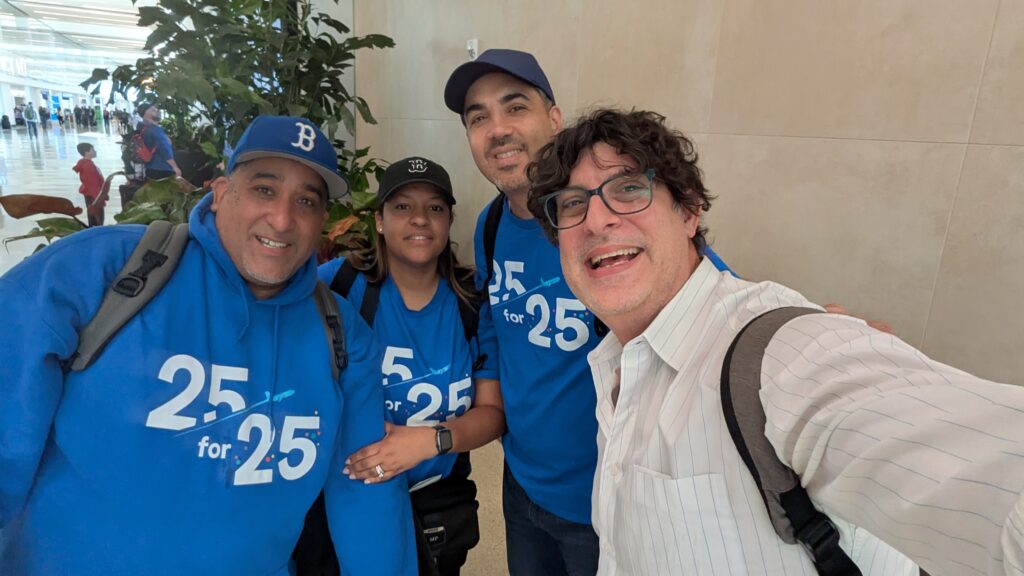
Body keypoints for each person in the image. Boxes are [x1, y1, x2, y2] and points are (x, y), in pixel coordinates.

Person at [526, 107, 1024, 575]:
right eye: (572, 204)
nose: (595, 220)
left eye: (629, 188)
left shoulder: (785, 354)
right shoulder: (618, 361)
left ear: (689, 211)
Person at [0, 115, 416, 575]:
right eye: (264, 189)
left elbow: (364, 485)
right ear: (220, 193)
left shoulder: (340, 332)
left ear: (322, 220)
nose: (282, 218)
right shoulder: (100, 270)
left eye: (306, 200)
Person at [442, 49, 733, 575]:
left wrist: (794, 330)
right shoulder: (489, 227)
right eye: (478, 118)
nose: (497, 129)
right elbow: (493, 329)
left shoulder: (605, 225)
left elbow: (715, 305)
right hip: (521, 485)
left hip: (606, 502)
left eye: (515, 107)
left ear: (554, 118)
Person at [302, 157, 504, 576]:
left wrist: (430, 441)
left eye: (434, 208)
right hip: (347, 498)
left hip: (437, 504)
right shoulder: (337, 284)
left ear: (449, 221)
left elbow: (492, 414)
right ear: (378, 220)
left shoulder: (472, 301)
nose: (419, 220)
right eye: (401, 207)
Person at [136, 103, 181, 181]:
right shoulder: (155, 130)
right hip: (162, 170)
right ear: (146, 113)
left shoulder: (142, 128)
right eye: (153, 110)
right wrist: (175, 167)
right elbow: (165, 151)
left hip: (150, 168)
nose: (157, 111)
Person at [73, 142, 106, 226]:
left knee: (92, 217)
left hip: (90, 195)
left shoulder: (86, 164)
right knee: (97, 219)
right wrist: (99, 199)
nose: (95, 151)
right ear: (87, 152)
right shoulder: (88, 166)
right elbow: (93, 185)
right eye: (93, 149)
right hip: (94, 196)